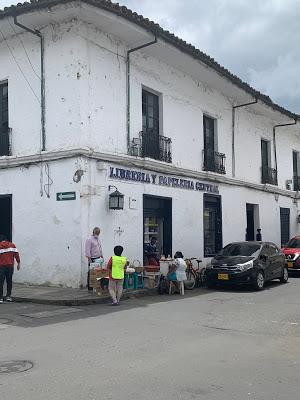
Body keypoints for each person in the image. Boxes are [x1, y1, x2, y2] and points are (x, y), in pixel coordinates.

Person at [0, 234, 21, 303]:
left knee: (1, 282)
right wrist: (18, 263)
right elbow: (16, 255)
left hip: (2, 267)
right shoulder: (12, 245)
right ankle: (8, 296)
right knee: (9, 281)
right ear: (6, 239)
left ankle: (1, 298)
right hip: (10, 266)